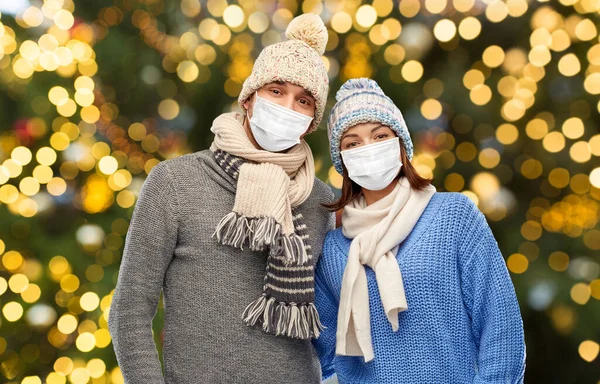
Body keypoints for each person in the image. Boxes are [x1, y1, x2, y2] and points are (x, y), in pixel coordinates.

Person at [108, 14, 335, 384]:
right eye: (276, 91)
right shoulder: (174, 182)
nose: (286, 108)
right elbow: (129, 310)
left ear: (311, 123)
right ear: (249, 99)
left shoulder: (321, 200)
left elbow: (339, 318)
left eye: (304, 101)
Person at [312, 78, 526, 383]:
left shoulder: (454, 216)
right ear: (342, 160)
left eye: (380, 135)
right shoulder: (334, 249)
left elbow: (501, 331)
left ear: (400, 144)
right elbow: (323, 358)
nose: (368, 149)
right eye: (352, 143)